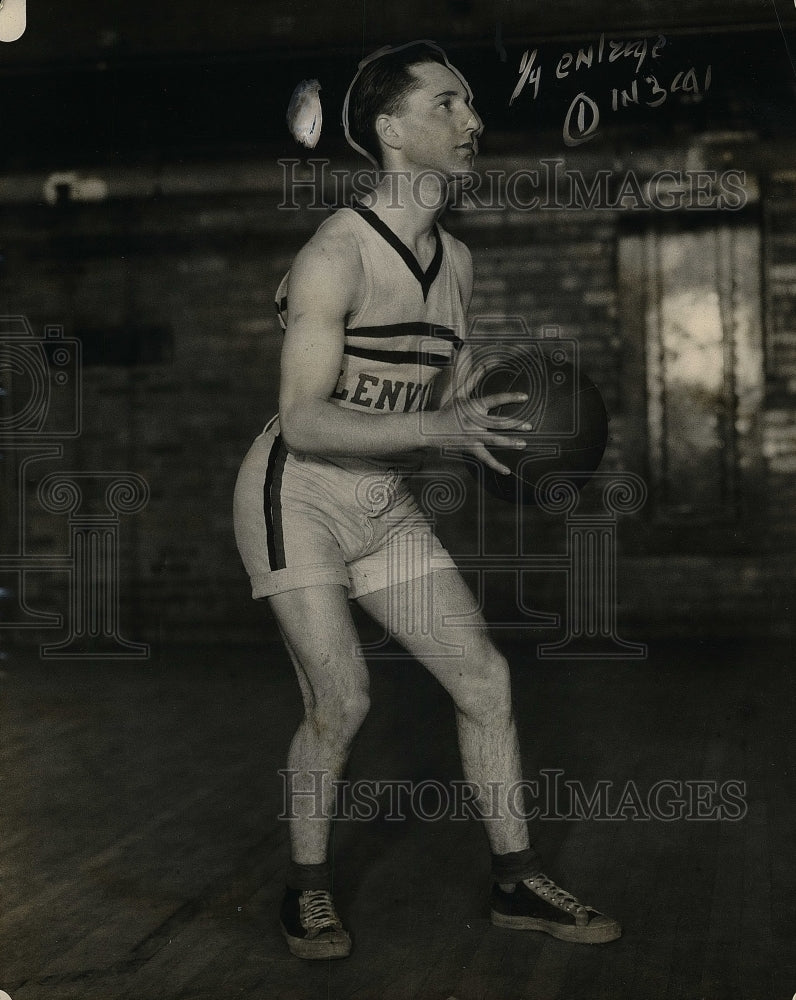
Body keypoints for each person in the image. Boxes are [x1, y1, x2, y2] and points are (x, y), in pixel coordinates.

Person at [233, 40, 621, 960]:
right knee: (343, 698)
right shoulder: (336, 251)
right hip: (300, 497)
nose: (473, 121)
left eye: (472, 105)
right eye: (448, 104)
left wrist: (485, 414)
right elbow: (304, 420)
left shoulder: (459, 262)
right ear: (390, 129)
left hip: (383, 501)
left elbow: (438, 390)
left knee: (485, 679)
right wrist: (448, 432)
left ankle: (517, 881)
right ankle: (308, 891)